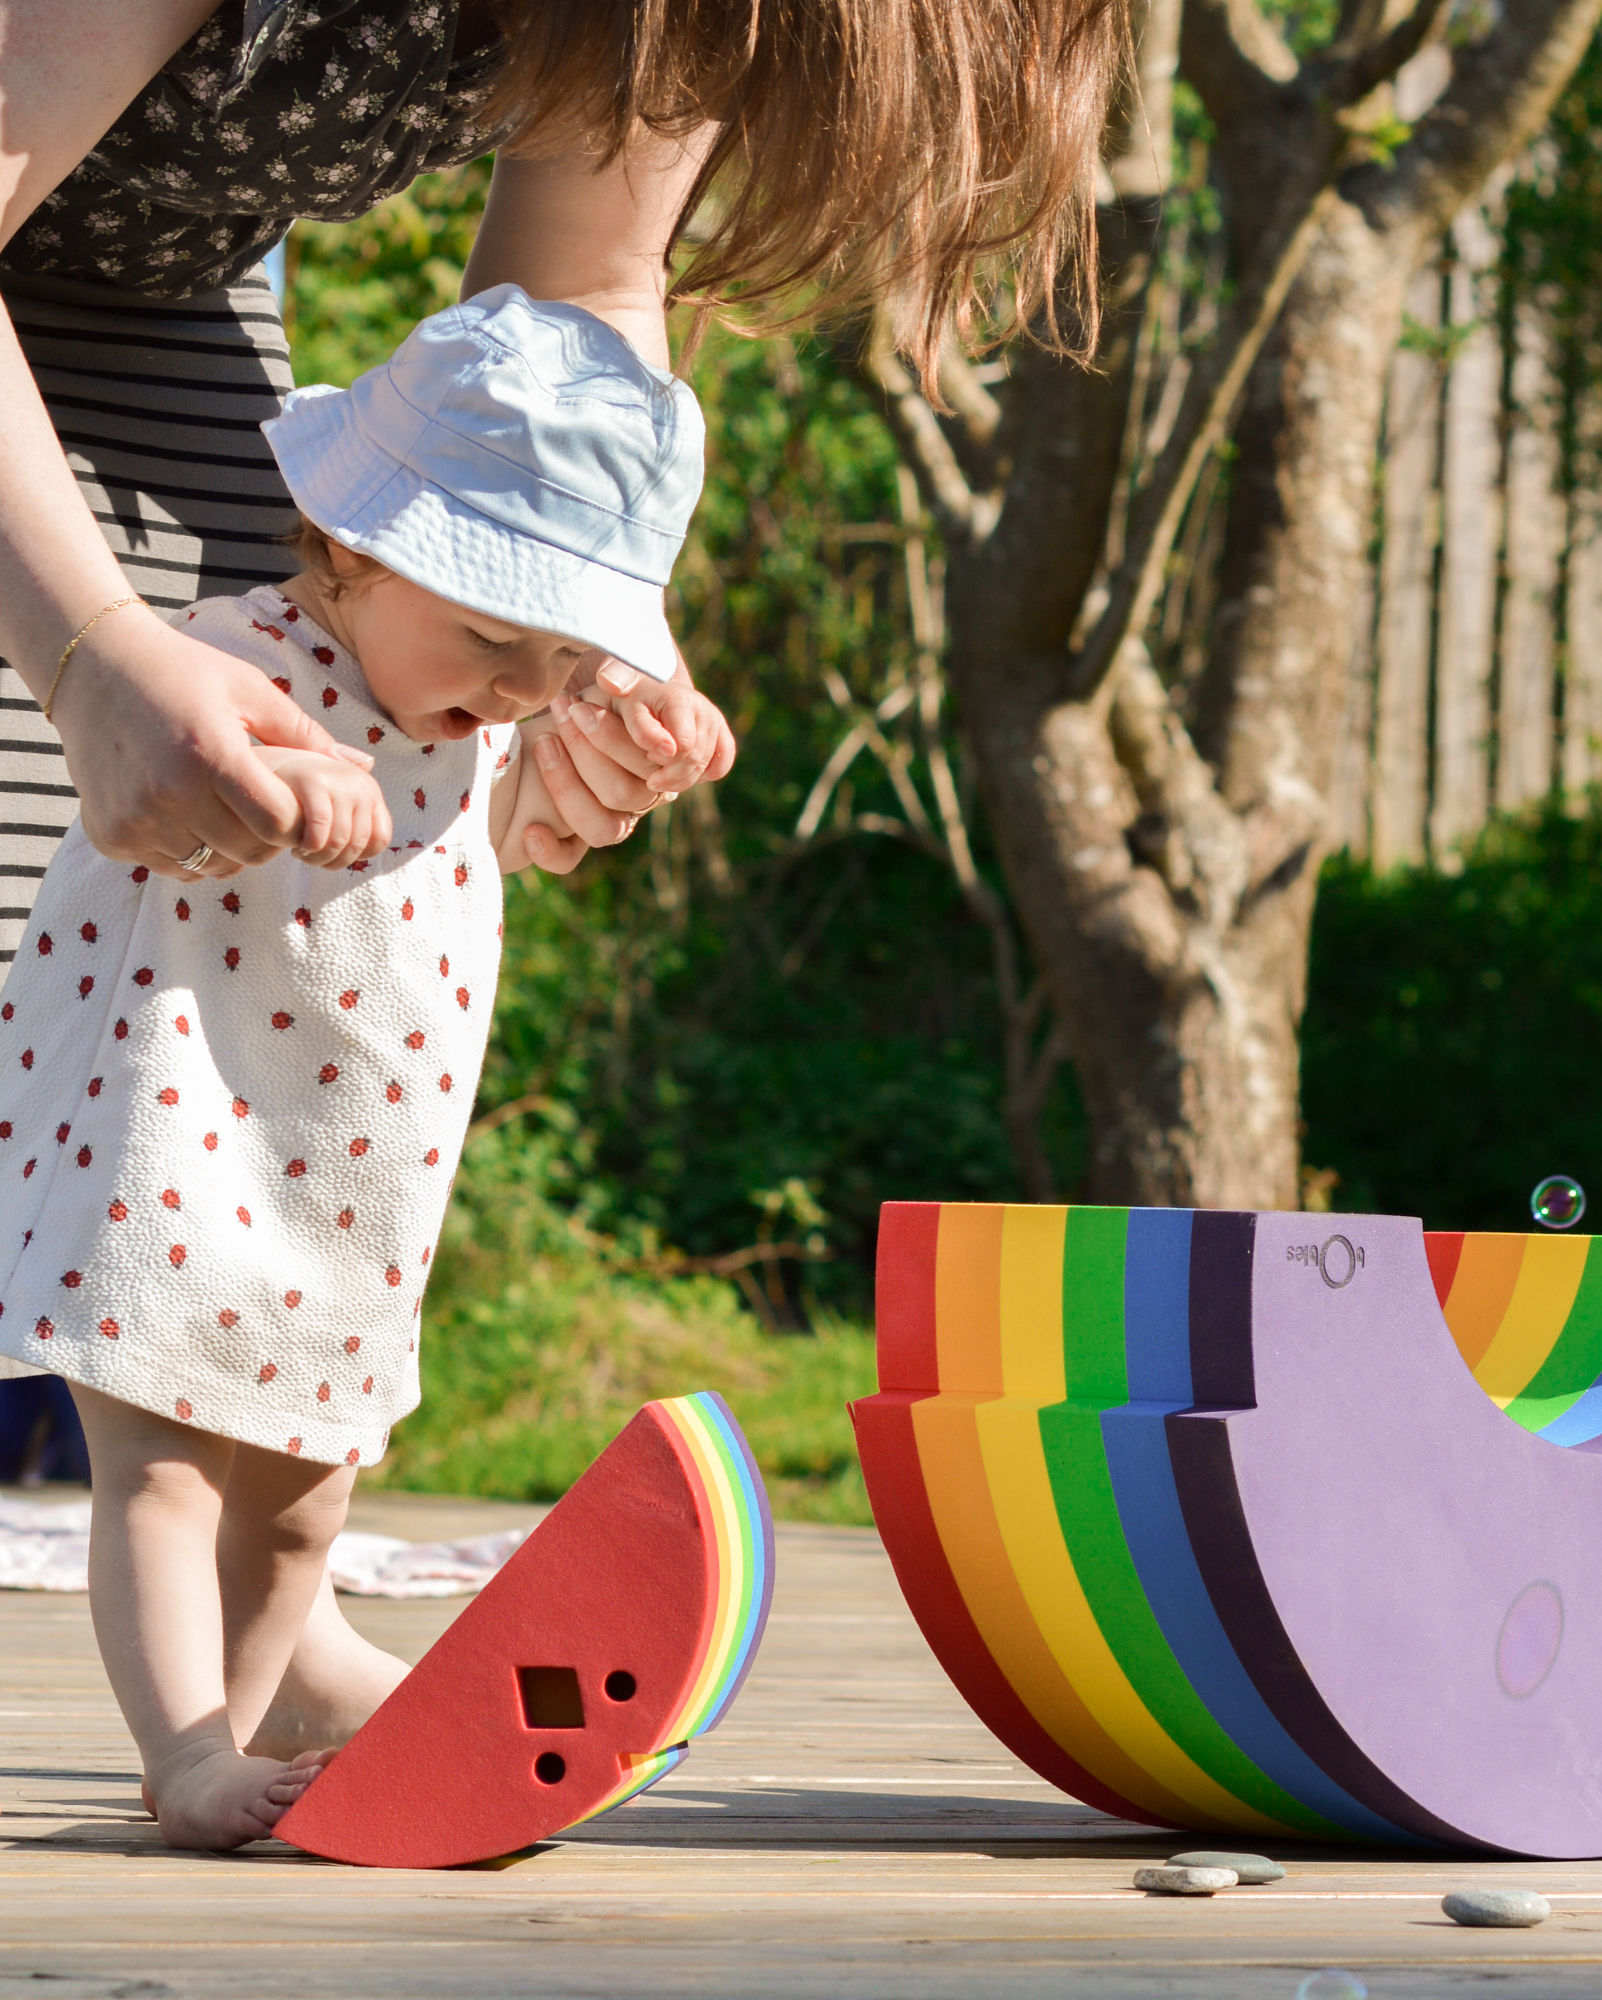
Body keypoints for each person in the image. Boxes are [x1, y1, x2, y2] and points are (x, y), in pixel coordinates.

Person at [0, 0, 1119, 1829]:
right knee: (74, 928)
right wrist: (96, 646)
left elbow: (577, 297)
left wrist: (594, 638)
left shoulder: (661, 13)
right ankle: (210, 1716)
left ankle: (283, 1675)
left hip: (150, 301)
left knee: (226, 860)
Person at [0, 284, 713, 1850]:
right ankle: (186, 1752)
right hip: (174, 1138)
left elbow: (521, 829)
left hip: (346, 1177)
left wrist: (648, 733)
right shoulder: (232, 656)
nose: (528, 686)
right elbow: (177, 783)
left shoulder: (478, 717)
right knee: (166, 1470)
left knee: (306, 1496)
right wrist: (271, 786)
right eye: (494, 633)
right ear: (355, 551)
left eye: (566, 651)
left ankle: (262, 1728)